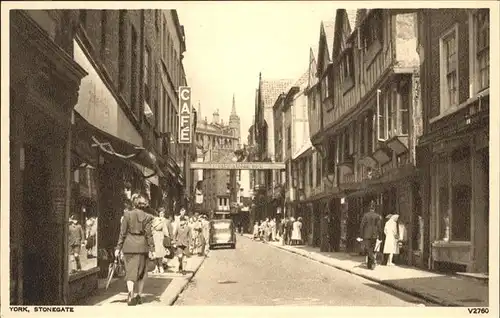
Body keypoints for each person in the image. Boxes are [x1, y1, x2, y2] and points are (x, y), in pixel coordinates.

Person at [115, 195, 155, 306]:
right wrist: (152, 249)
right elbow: (149, 234)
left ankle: (130, 294)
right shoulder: (147, 217)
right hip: (142, 247)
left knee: (130, 272)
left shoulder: (127, 215)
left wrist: (118, 248)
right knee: (141, 273)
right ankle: (139, 296)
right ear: (144, 205)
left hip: (129, 246)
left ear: (134, 204)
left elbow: (122, 233)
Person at [359, 201, 383, 270]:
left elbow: (362, 225)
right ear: (374, 208)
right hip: (374, 235)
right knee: (372, 249)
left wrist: (361, 235)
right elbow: (379, 226)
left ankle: (373, 259)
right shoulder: (377, 216)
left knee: (368, 249)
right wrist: (380, 235)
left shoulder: (365, 215)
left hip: (366, 235)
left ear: (369, 208)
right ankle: (370, 265)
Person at [151, 208, 169, 274]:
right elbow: (151, 228)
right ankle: (156, 267)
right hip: (154, 237)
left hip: (160, 237)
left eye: (163, 213)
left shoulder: (164, 221)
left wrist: (167, 238)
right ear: (158, 213)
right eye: (160, 213)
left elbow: (165, 230)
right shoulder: (154, 220)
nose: (162, 214)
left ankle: (161, 266)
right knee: (154, 253)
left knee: (160, 253)